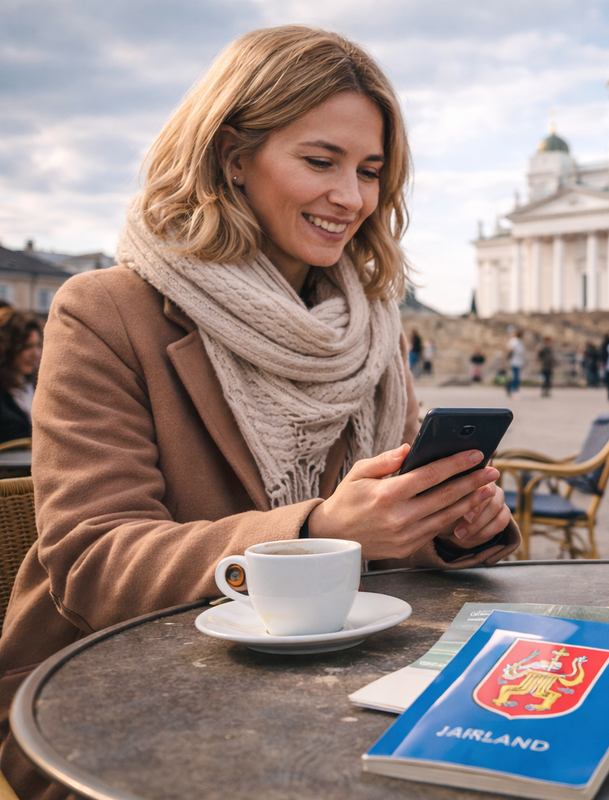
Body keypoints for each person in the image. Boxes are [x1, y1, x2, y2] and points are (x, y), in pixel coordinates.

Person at [0, 26, 520, 799]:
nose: (351, 197)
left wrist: (449, 520)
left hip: (334, 680)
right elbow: (92, 563)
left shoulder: (370, 323)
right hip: (121, 701)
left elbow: (391, 507)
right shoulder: (105, 311)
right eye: (320, 161)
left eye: (370, 171)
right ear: (232, 156)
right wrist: (319, 534)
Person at [0, 310, 41, 443]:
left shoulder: (34, 387)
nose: (36, 354)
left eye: (38, 346)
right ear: (7, 349)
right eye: (28, 346)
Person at [506, 328, 525, 397]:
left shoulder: (518, 341)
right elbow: (510, 350)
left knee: (516, 377)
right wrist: (508, 360)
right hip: (514, 361)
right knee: (515, 377)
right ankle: (513, 390)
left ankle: (514, 389)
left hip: (517, 361)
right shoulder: (514, 341)